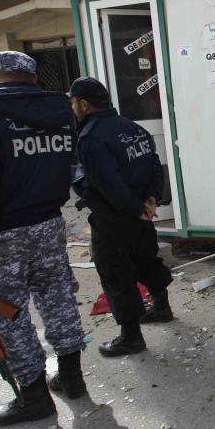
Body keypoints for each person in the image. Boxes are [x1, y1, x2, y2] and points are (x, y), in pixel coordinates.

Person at [0, 51, 87, 427]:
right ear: (35, 80)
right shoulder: (60, 114)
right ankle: (72, 379)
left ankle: (34, 398)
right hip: (49, 224)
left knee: (8, 313)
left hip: (2, 233)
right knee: (58, 298)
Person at [67, 76, 173, 357]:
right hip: (141, 216)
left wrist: (137, 207)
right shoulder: (133, 128)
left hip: (115, 219)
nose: (72, 107)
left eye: (74, 102)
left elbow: (108, 184)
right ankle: (162, 307)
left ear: (85, 104)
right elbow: (155, 166)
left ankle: (131, 336)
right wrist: (150, 200)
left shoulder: (91, 138)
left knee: (116, 274)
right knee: (147, 261)